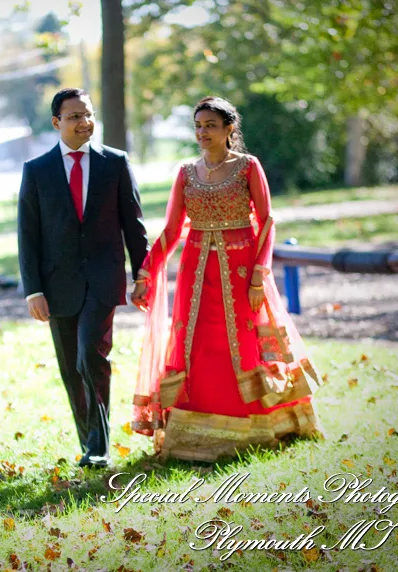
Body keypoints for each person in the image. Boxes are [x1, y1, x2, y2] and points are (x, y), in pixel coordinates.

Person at [130, 96, 323, 462]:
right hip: (196, 274)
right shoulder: (186, 172)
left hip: (239, 272)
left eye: (211, 126)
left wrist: (257, 278)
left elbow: (266, 223)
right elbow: (172, 230)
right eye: (198, 126)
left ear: (229, 129)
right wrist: (146, 273)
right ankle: (192, 433)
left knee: (242, 343)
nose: (203, 132)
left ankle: (256, 427)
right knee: (195, 346)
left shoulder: (248, 167)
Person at [18, 88, 149, 468]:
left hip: (104, 280)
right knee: (70, 367)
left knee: (90, 355)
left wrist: (142, 274)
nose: (83, 122)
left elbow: (134, 225)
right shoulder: (37, 170)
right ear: (57, 122)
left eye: (88, 114)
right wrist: (34, 291)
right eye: (74, 116)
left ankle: (100, 445)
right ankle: (89, 440)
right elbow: (28, 235)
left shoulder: (116, 163)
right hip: (56, 286)